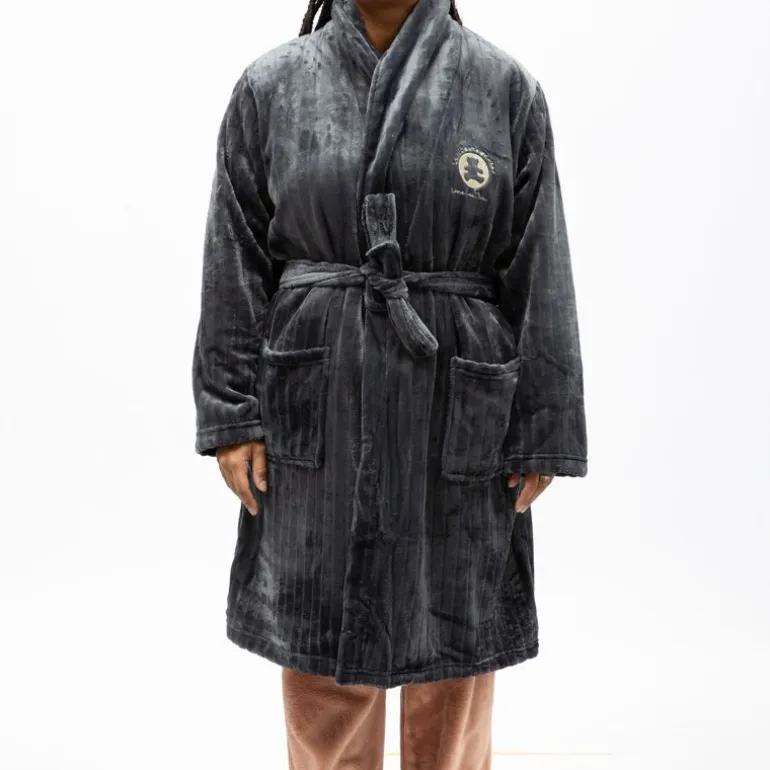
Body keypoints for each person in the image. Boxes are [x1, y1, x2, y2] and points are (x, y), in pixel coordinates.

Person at [191, 0, 588, 767]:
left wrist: (543, 427)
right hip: (316, 395)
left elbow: (540, 261)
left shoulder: (502, 87)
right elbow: (233, 257)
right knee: (322, 636)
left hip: (457, 400)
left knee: (453, 643)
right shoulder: (272, 86)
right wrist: (233, 413)